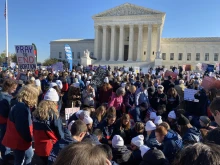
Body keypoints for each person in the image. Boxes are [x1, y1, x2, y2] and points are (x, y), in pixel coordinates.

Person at [2, 85, 39, 165]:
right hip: (20, 139)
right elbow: (22, 127)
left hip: (19, 138)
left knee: (28, 155)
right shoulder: (21, 107)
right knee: (20, 159)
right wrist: (29, 138)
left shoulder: (18, 103)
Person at [33, 88, 64, 164]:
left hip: (38, 144)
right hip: (50, 146)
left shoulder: (36, 113)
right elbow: (60, 132)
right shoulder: (53, 115)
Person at [0, 79, 17, 164]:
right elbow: (4, 113)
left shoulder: (4, 95)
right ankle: (4, 157)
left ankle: (6, 153)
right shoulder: (5, 98)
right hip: (4, 122)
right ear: (8, 87)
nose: (14, 90)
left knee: (5, 138)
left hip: (4, 121)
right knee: (4, 138)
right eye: (13, 88)